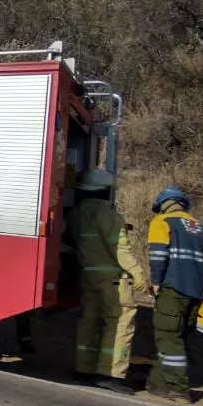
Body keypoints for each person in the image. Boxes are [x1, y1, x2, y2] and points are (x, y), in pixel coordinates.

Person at [67, 169, 147, 394]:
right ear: (106, 191)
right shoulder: (107, 215)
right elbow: (119, 248)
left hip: (87, 277)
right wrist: (137, 273)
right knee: (120, 321)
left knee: (89, 321)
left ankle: (84, 368)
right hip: (112, 279)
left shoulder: (76, 214)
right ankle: (110, 374)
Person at [145, 185, 203, 402]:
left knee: (168, 336)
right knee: (177, 337)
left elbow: (158, 254)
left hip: (173, 288)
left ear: (163, 205)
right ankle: (157, 383)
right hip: (197, 292)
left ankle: (178, 387)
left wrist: (156, 281)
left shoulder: (162, 222)